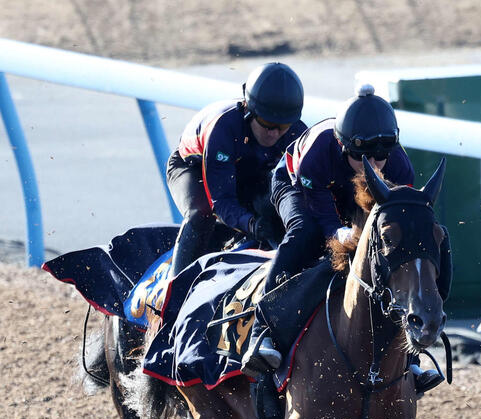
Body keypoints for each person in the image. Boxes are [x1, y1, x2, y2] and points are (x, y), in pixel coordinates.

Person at [241, 84, 443, 395]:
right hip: (300, 185)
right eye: (364, 157)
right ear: (343, 147)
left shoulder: (399, 166)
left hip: (348, 191)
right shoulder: (319, 152)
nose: (375, 165)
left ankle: (410, 353)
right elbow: (320, 208)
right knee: (303, 233)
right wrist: (337, 231)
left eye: (381, 156)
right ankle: (262, 331)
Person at [166, 62, 306, 277]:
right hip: (193, 168)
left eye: (283, 127)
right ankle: (175, 286)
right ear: (249, 109)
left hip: (247, 168)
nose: (274, 134)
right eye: (266, 123)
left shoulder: (297, 133)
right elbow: (221, 201)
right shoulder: (224, 128)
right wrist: (251, 224)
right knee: (201, 213)